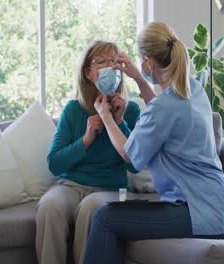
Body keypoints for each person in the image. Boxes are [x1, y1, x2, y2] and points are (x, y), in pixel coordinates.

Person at [83, 22, 224, 264]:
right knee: (113, 215)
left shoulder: (164, 107)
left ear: (149, 62)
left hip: (194, 213)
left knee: (105, 217)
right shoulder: (192, 88)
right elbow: (162, 112)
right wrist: (139, 80)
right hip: (218, 211)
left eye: (141, 60)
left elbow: (129, 154)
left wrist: (106, 117)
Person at [35, 40, 157, 264]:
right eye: (102, 62)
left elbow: (135, 164)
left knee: (91, 208)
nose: (110, 67)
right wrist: (85, 140)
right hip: (72, 186)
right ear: (89, 73)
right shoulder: (73, 110)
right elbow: (54, 163)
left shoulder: (131, 110)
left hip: (113, 189)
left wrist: (119, 122)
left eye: (114, 61)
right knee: (49, 205)